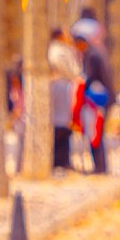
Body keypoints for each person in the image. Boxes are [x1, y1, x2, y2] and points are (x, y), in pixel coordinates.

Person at [73, 29, 114, 174]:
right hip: (100, 99)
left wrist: (81, 88)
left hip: (98, 100)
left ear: (81, 44)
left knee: (95, 133)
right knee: (95, 133)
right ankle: (99, 166)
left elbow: (90, 78)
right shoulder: (94, 53)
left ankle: (100, 167)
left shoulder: (92, 56)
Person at [48, 27, 81, 171]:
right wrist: (73, 76)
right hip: (61, 86)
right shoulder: (57, 51)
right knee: (60, 124)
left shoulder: (63, 49)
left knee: (65, 123)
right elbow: (66, 68)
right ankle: (58, 160)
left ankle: (63, 159)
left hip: (65, 85)